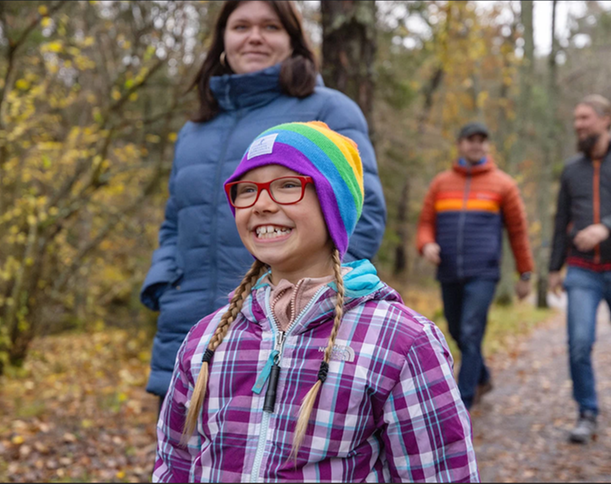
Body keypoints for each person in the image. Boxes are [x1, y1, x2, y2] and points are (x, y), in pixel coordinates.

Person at [153, 122, 478, 482]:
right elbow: (174, 464)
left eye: (288, 185)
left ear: (332, 202)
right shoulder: (207, 339)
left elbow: (440, 474)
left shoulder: (400, 342)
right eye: (246, 190)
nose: (261, 204)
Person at [139, 1, 386, 404]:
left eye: (270, 26)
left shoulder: (328, 109)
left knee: (276, 462)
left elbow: (364, 215)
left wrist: (308, 300)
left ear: (293, 41)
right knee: (185, 462)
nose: (254, 36)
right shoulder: (194, 129)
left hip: (289, 332)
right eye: (241, 26)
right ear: (223, 39)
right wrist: (166, 284)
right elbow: (174, 220)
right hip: (189, 327)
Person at [548, 94, 611, 444]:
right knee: (579, 342)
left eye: (585, 118)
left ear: (606, 119)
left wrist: (605, 226)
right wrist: (553, 268)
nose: (578, 125)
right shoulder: (571, 170)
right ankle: (587, 412)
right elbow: (561, 219)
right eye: (576, 119)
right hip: (582, 271)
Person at [415, 121, 535, 410]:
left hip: (483, 272)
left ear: (487, 146)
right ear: (460, 144)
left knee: (470, 332)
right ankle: (482, 376)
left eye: (482, 140)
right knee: (457, 331)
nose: (476, 145)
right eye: (471, 139)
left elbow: (518, 231)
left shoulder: (503, 184)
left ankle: (462, 400)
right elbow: (425, 224)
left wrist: (525, 273)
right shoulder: (441, 183)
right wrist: (426, 244)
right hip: (448, 270)